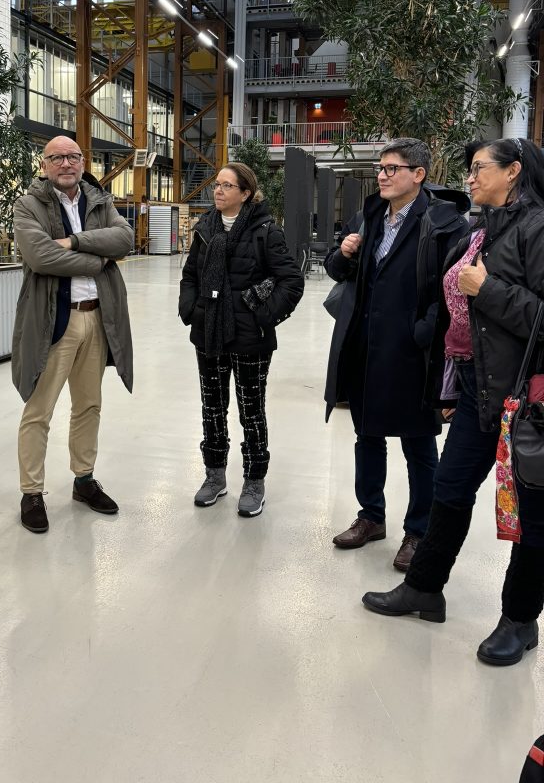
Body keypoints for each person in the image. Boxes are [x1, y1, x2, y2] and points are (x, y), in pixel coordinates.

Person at [362, 138, 544, 667]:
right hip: (476, 389)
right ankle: (424, 587)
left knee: (532, 513)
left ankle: (519, 620)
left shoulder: (537, 228)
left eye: (479, 167)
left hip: (524, 402)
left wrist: (487, 289)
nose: (469, 177)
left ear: (513, 171)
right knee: (450, 488)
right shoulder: (485, 227)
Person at [325, 138, 469, 571]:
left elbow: (451, 290)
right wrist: (343, 253)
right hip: (365, 345)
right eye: (381, 168)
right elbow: (337, 271)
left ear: (418, 174)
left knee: (418, 444)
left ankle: (419, 530)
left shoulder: (444, 222)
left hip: (414, 353)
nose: (383, 175)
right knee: (366, 435)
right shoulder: (368, 216)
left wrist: (423, 331)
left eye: (393, 168)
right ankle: (371, 516)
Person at [12, 135, 133, 534]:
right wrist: (99, 260)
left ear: (82, 162)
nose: (66, 163)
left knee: (89, 405)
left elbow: (124, 239)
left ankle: (84, 479)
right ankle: (32, 492)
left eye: (73, 157)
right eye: (57, 157)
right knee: (39, 410)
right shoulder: (29, 205)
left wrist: (75, 241)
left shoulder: (99, 200)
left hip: (97, 318)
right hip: (54, 321)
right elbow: (40, 256)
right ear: (44, 164)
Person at [178, 162, 304, 516]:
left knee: (251, 411)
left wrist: (261, 316)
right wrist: (192, 310)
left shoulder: (265, 231)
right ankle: (214, 475)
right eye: (216, 185)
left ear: (245, 193)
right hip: (208, 333)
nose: (217, 191)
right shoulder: (206, 228)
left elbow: (291, 280)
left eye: (226, 186)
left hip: (250, 338)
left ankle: (254, 480)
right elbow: (190, 276)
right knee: (212, 407)